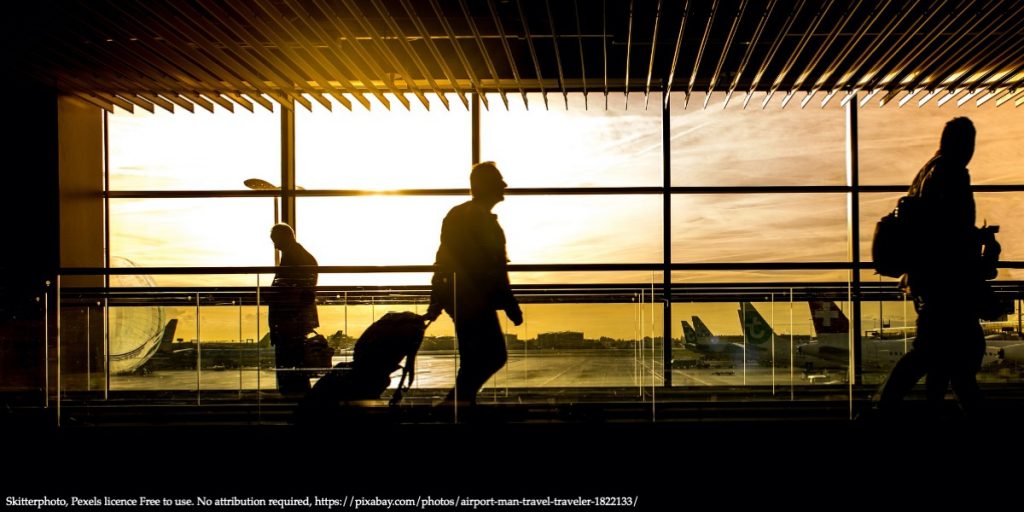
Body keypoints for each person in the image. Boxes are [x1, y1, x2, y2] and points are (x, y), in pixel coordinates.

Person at [877, 117, 993, 419]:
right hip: (947, 282)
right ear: (964, 143)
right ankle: (889, 409)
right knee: (947, 353)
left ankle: (910, 409)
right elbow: (949, 232)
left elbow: (933, 230)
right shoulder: (952, 173)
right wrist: (976, 241)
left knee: (939, 353)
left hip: (928, 279)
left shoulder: (927, 173)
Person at [425, 161, 523, 406]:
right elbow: (493, 268)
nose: (505, 184)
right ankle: (456, 405)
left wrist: (437, 297)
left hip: (461, 297)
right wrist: (510, 304)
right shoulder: (479, 219)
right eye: (499, 180)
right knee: (493, 355)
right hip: (473, 299)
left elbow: (444, 258)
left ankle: (459, 405)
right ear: (487, 186)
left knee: (475, 358)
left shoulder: (461, 214)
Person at [268, 223, 319, 396]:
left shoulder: (294, 258)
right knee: (296, 367)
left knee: (289, 366)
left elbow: (296, 293)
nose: (275, 246)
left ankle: (294, 402)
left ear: (286, 237)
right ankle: (298, 402)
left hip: (289, 320)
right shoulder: (302, 257)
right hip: (294, 320)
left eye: (276, 241)